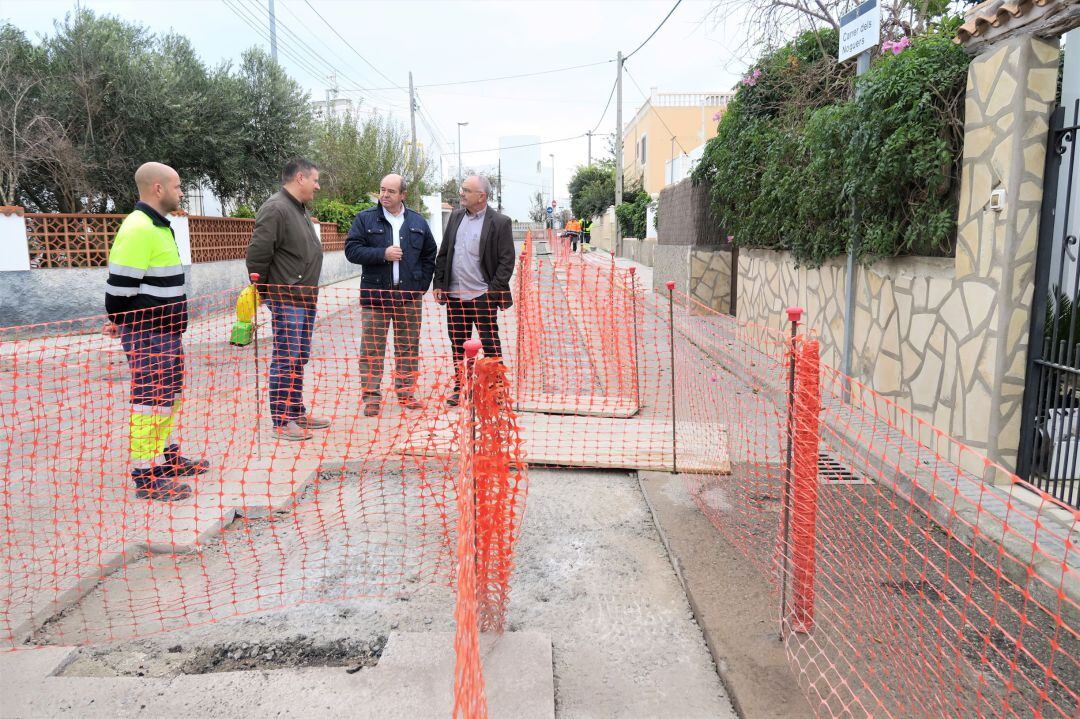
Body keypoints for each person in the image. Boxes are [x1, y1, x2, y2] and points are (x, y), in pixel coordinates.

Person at [105, 162, 207, 502]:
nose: (181, 192)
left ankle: (165, 458)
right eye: (177, 187)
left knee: (168, 399)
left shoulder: (159, 226)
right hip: (148, 333)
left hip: (166, 332)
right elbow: (118, 290)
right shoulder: (138, 228)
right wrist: (123, 322)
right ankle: (145, 476)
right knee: (149, 403)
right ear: (158, 189)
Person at [246, 158, 332, 441]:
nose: (317, 186)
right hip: (287, 298)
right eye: (314, 180)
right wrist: (267, 294)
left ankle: (295, 411)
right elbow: (257, 256)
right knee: (286, 358)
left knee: (298, 358)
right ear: (299, 178)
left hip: (304, 298)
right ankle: (282, 421)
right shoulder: (276, 208)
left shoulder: (298, 208)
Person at [345, 174, 437, 417]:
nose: (384, 195)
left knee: (408, 347)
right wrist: (382, 253)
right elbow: (352, 250)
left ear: (403, 195)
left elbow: (430, 254)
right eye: (382, 190)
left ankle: (406, 393)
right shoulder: (365, 219)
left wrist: (421, 286)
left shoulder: (417, 221)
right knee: (372, 348)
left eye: (391, 191)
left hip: (408, 297)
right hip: (376, 296)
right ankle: (371, 397)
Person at [433, 174, 516, 407]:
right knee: (458, 343)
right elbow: (444, 252)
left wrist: (491, 293)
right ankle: (462, 387)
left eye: (466, 190)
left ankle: (496, 388)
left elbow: (506, 261)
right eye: (462, 189)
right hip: (455, 296)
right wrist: (439, 283)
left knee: (490, 343)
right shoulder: (456, 217)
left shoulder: (499, 222)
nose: (461, 193)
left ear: (482, 196)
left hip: (482, 296)